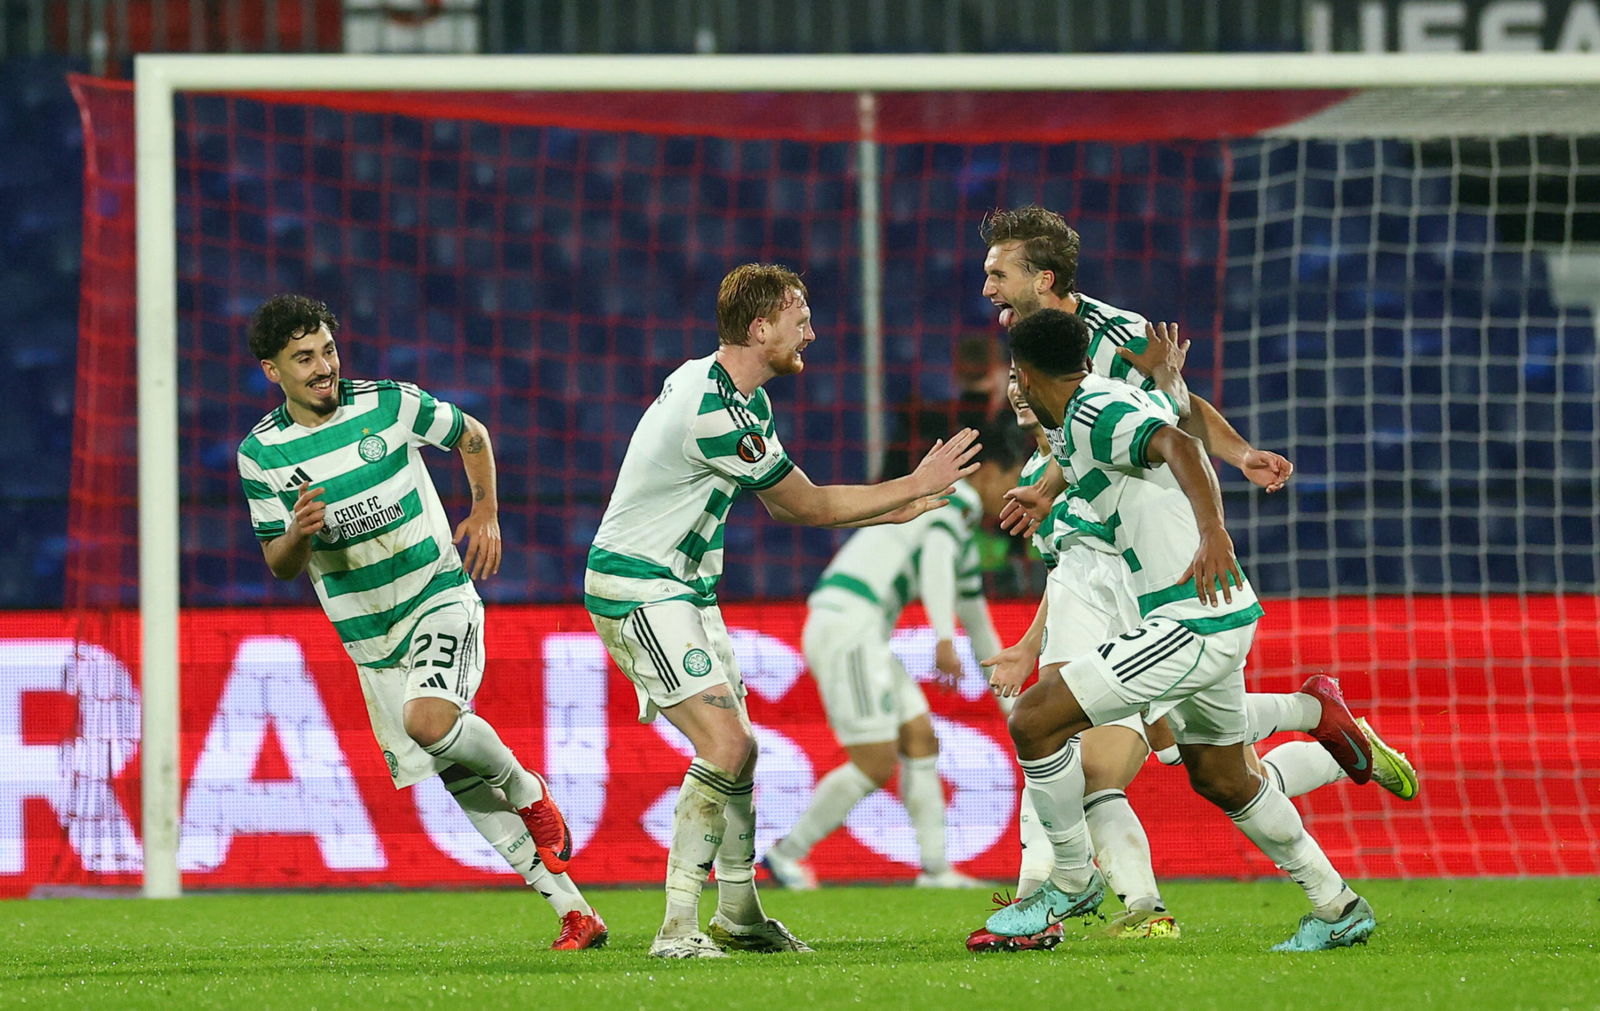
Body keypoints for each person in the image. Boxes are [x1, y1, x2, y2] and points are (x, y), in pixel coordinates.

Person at [584, 263, 982, 958]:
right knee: (727, 745)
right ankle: (678, 927)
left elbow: (782, 504)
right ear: (761, 327)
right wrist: (912, 483)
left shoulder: (735, 397)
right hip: (640, 585)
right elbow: (811, 503)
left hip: (686, 591)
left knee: (742, 750)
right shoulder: (715, 412)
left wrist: (895, 508)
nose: (812, 333)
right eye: (800, 321)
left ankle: (738, 914)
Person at [965, 366, 1418, 951]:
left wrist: (1224, 490)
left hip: (1162, 619)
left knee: (1068, 747)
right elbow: (1069, 568)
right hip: (1165, 620)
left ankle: (1103, 900)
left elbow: (1175, 429)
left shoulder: (1099, 420)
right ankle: (1335, 884)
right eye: (1008, 380)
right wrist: (1030, 643)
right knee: (1219, 773)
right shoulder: (1056, 462)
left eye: (1022, 375)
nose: (1016, 389)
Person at [235, 294, 605, 951]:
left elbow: (473, 435)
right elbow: (278, 562)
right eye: (304, 358)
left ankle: (528, 788)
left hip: (434, 595)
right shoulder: (260, 453)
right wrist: (298, 531)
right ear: (273, 371)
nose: (324, 367)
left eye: (327, 350)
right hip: (369, 640)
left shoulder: (389, 403)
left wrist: (485, 512)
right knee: (456, 773)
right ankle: (573, 911)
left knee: (429, 721)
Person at [762, 419, 1027, 891]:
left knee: (920, 737)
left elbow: (981, 626)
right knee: (874, 761)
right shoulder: (955, 502)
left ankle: (936, 870)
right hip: (849, 625)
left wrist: (1014, 710)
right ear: (988, 474)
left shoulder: (963, 535)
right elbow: (937, 560)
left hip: (864, 631)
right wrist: (943, 637)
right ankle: (786, 855)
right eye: (1013, 480)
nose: (1015, 493)